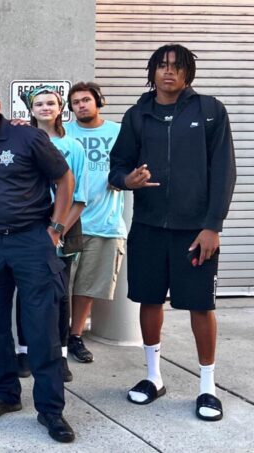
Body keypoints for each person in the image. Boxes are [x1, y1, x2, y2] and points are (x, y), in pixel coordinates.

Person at [109, 44, 235, 422]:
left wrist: (212, 226)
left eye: (177, 67)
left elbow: (224, 171)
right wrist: (127, 180)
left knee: (201, 305)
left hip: (194, 231)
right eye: (162, 66)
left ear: (187, 73)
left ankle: (207, 387)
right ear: (152, 71)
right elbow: (118, 167)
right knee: (148, 300)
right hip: (148, 227)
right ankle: (153, 377)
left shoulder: (209, 111)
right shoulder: (137, 115)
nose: (169, 72)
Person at [0, 82, 77, 442]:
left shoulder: (28, 138)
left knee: (41, 327)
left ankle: (51, 410)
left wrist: (56, 228)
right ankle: (6, 394)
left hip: (31, 240)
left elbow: (64, 178)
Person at [20, 86, 89, 383]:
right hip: (29, 225)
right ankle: (24, 352)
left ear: (60, 108)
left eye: (51, 103)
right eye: (39, 104)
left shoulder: (73, 146)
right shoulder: (22, 141)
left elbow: (80, 197)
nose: (45, 108)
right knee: (26, 292)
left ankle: (60, 355)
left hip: (64, 228)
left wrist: (58, 229)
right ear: (31, 110)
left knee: (60, 295)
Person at [64, 81, 124, 364]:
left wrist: (125, 179)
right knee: (61, 286)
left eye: (86, 100)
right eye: (76, 102)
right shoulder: (64, 132)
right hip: (68, 223)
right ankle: (58, 336)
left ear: (98, 101)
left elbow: (132, 163)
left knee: (87, 288)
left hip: (104, 223)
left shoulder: (117, 132)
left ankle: (75, 336)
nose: (81, 105)